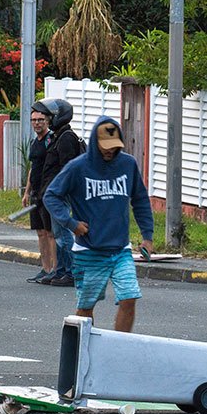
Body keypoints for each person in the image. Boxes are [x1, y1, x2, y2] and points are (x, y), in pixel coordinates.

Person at [44, 117, 154, 332]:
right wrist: (71, 223)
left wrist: (147, 237)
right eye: (105, 146)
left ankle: (119, 346)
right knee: (86, 308)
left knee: (129, 298)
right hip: (89, 250)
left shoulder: (128, 164)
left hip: (120, 249)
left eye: (114, 146)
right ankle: (85, 347)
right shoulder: (77, 167)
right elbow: (52, 196)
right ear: (95, 143)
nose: (110, 151)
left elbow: (140, 200)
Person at [35, 98, 82, 287]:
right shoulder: (58, 136)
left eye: (49, 116)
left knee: (63, 235)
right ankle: (61, 270)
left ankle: (72, 272)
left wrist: (58, 192)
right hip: (53, 195)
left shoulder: (67, 138)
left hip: (60, 195)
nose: (47, 119)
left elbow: (66, 169)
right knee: (58, 234)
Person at [23, 106, 55, 283]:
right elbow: (32, 168)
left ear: (47, 121)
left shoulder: (51, 140)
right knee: (40, 232)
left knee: (50, 232)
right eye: (34, 120)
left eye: (40, 120)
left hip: (47, 193)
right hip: (35, 193)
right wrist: (27, 192)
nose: (37, 123)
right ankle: (45, 268)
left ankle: (55, 269)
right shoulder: (34, 142)